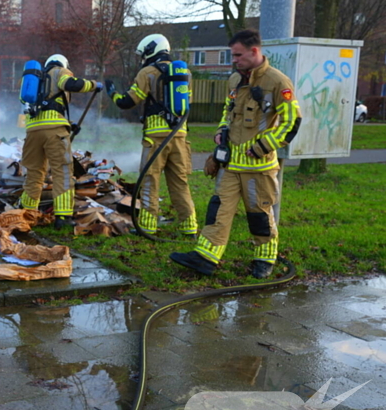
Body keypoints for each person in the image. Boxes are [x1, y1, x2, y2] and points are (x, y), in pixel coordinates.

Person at [171, 28, 302, 279]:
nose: (234, 60)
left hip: (259, 168)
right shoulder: (234, 80)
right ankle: (206, 257)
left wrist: (262, 147)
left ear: (255, 51)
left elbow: (291, 121)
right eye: (233, 55)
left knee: (259, 216)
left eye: (238, 55)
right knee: (218, 210)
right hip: (230, 165)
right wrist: (221, 131)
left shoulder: (277, 82)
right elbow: (227, 111)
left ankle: (265, 259)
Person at [109, 34, 197, 237]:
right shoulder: (185, 74)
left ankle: (148, 226)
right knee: (179, 182)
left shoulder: (147, 73)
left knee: (150, 180)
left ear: (151, 50)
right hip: (180, 135)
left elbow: (127, 102)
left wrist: (112, 93)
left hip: (156, 137)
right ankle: (189, 227)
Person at [19, 54, 101, 228]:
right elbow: (70, 84)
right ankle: (62, 217)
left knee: (34, 173)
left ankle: (27, 214)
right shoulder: (59, 71)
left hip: (32, 130)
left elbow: (40, 110)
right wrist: (94, 85)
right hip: (54, 131)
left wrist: (69, 125)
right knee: (62, 172)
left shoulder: (34, 80)